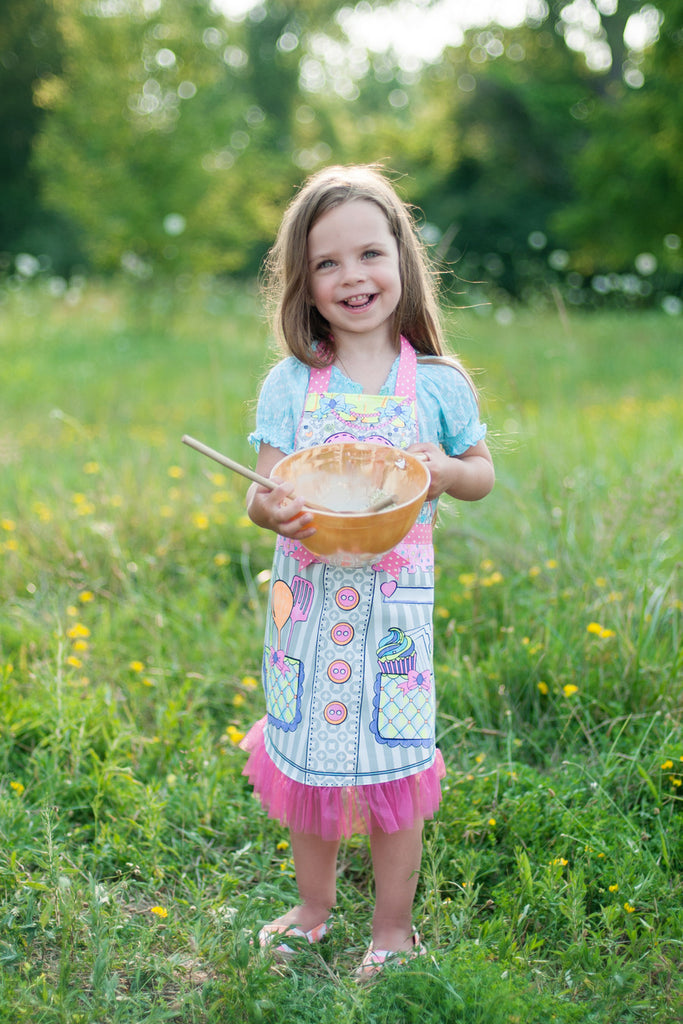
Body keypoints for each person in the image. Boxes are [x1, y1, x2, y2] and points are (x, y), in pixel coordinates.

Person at [242, 164, 494, 978]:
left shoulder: (440, 384)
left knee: (394, 764)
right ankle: (313, 910)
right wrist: (270, 509)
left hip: (392, 617)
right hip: (307, 610)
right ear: (304, 285)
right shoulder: (290, 385)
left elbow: (480, 473)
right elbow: (262, 490)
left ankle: (392, 930)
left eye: (369, 254)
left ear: (402, 261)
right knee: (308, 760)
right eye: (327, 263)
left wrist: (446, 471)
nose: (352, 276)